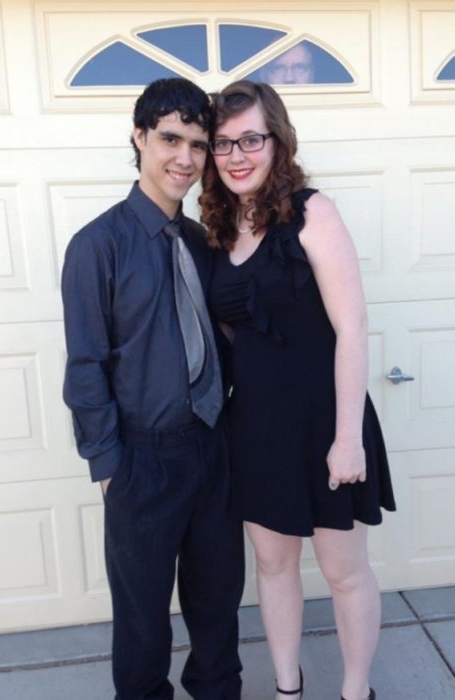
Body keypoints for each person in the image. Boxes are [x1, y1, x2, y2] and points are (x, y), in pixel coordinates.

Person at [200, 80, 396, 700]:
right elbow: (234, 339)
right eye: (224, 144)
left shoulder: (312, 213)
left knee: (343, 572)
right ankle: (288, 687)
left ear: (277, 141)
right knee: (274, 567)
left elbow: (352, 326)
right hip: (255, 428)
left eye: (250, 139)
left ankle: (355, 690)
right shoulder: (219, 231)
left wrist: (347, 439)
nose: (236, 155)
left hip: (327, 423)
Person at [61, 78, 245, 700]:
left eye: (197, 144)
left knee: (219, 604)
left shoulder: (199, 242)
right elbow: (85, 366)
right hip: (143, 458)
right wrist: (110, 464)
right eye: (170, 138)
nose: (185, 158)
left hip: (211, 450)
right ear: (139, 138)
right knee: (142, 620)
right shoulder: (97, 246)